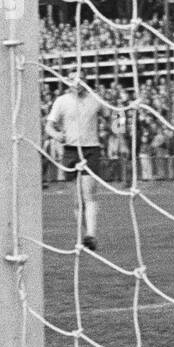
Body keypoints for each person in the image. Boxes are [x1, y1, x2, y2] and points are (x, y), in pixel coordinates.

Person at [45, 72, 110, 252]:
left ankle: (91, 234)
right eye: (74, 79)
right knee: (77, 200)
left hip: (91, 149)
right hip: (71, 151)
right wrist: (57, 134)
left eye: (81, 79)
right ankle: (86, 235)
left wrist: (115, 122)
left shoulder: (94, 99)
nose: (78, 82)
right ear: (68, 82)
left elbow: (110, 114)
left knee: (89, 194)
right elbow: (48, 126)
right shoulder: (61, 101)